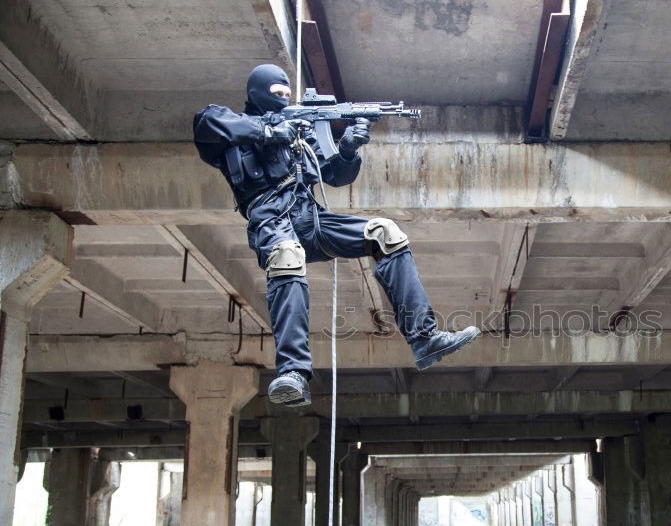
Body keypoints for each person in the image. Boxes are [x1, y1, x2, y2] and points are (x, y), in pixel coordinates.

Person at [193, 64, 479, 406]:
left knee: (385, 232)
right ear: (257, 92)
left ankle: (424, 338)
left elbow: (334, 175)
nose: (283, 100)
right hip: (272, 220)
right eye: (277, 94)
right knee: (287, 256)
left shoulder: (300, 132)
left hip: (312, 220)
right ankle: (293, 373)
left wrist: (347, 150)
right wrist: (270, 132)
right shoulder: (230, 125)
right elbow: (206, 123)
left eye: (287, 94)